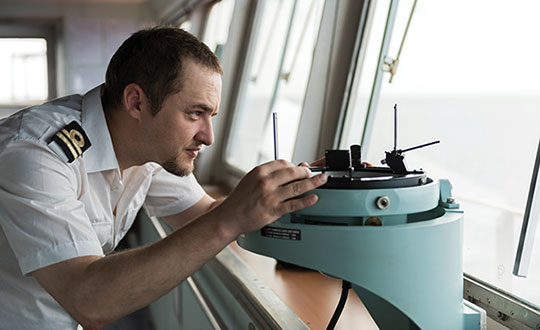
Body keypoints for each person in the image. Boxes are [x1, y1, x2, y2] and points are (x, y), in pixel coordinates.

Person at [0, 26, 327, 329]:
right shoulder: (37, 156)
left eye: (211, 116)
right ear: (136, 102)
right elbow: (90, 300)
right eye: (195, 114)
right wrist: (230, 217)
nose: (209, 137)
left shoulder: (149, 143)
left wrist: (307, 188)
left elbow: (205, 216)